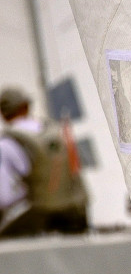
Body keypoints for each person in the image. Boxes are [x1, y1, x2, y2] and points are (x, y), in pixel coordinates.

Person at [0, 86, 88, 238]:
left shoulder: (7, 143)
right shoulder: (56, 131)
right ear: (26, 106)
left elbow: (6, 196)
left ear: (3, 113)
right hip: (75, 211)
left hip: (41, 216)